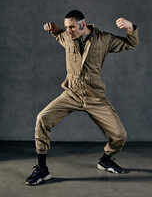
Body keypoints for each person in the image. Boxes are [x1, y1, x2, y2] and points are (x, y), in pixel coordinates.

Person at [25, 10, 139, 185]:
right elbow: (58, 35)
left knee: (120, 136)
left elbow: (131, 43)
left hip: (94, 97)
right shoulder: (66, 37)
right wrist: (53, 29)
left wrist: (130, 27)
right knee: (42, 118)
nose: (68, 31)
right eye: (66, 27)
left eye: (71, 27)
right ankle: (42, 169)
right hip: (71, 94)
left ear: (83, 25)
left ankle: (105, 160)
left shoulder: (104, 39)